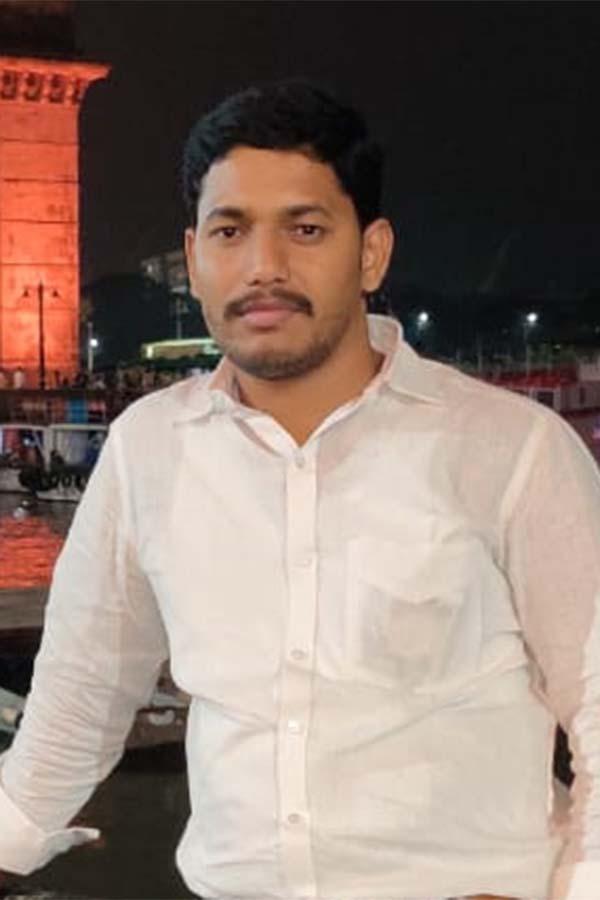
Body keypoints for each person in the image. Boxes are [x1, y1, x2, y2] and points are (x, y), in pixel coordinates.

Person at [0, 81, 598, 900]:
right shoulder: (148, 450)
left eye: (306, 229)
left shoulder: (512, 451)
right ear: (195, 257)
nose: (264, 268)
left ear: (371, 253)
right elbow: (78, 705)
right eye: (231, 231)